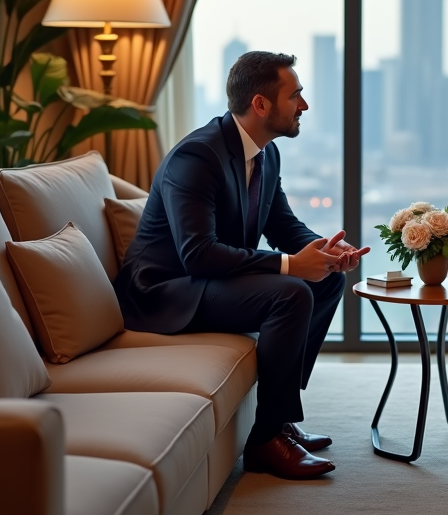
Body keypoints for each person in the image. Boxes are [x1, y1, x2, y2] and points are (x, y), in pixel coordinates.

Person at [113, 51, 368, 480]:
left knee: (324, 283)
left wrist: (323, 255)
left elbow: (283, 225)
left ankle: (280, 417)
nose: (304, 105)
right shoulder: (196, 158)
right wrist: (290, 266)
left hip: (210, 279)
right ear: (261, 104)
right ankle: (266, 441)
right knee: (289, 293)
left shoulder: (266, 154)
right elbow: (197, 254)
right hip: (167, 291)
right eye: (296, 95)